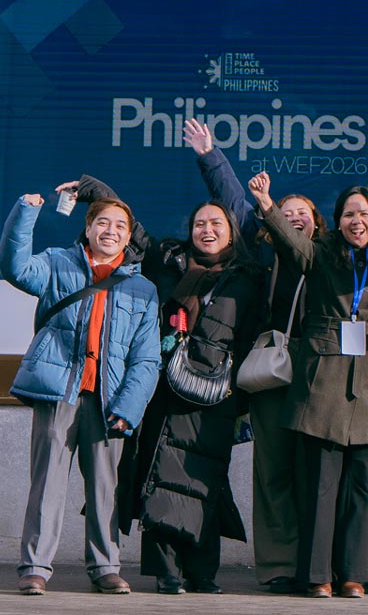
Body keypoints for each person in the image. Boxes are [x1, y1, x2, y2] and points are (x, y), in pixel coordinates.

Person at [0, 183, 161, 596]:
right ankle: (35, 567)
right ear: (88, 228)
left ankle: (106, 567)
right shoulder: (57, 263)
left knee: (106, 489)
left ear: (129, 236)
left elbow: (146, 359)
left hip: (109, 401)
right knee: (47, 484)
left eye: (120, 226)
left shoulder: (143, 288)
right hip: (60, 394)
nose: (111, 231)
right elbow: (14, 267)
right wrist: (25, 212)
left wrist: (130, 407)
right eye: (103, 222)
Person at [187, 117, 323, 593]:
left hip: (321, 377)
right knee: (274, 473)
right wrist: (211, 156)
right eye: (287, 210)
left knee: (316, 476)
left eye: (303, 212)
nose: (295, 217)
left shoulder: (328, 257)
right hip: (271, 374)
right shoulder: (263, 253)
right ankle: (279, 566)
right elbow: (232, 201)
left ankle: (317, 567)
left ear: (317, 223)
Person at [252, 174, 368, 599]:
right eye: (349, 214)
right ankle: (317, 574)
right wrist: (266, 203)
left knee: (362, 485)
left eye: (364, 214)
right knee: (320, 483)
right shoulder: (319, 253)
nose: (357, 221)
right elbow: (291, 243)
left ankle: (354, 573)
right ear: (337, 220)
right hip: (322, 380)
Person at [123, 199, 264, 594]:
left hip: (215, 395)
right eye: (200, 223)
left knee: (206, 481)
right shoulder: (172, 264)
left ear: (231, 232)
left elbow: (250, 337)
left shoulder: (246, 278)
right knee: (160, 478)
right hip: (166, 391)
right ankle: (166, 571)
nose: (207, 230)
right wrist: (90, 188)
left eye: (216, 223)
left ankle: (202, 571)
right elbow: (134, 231)